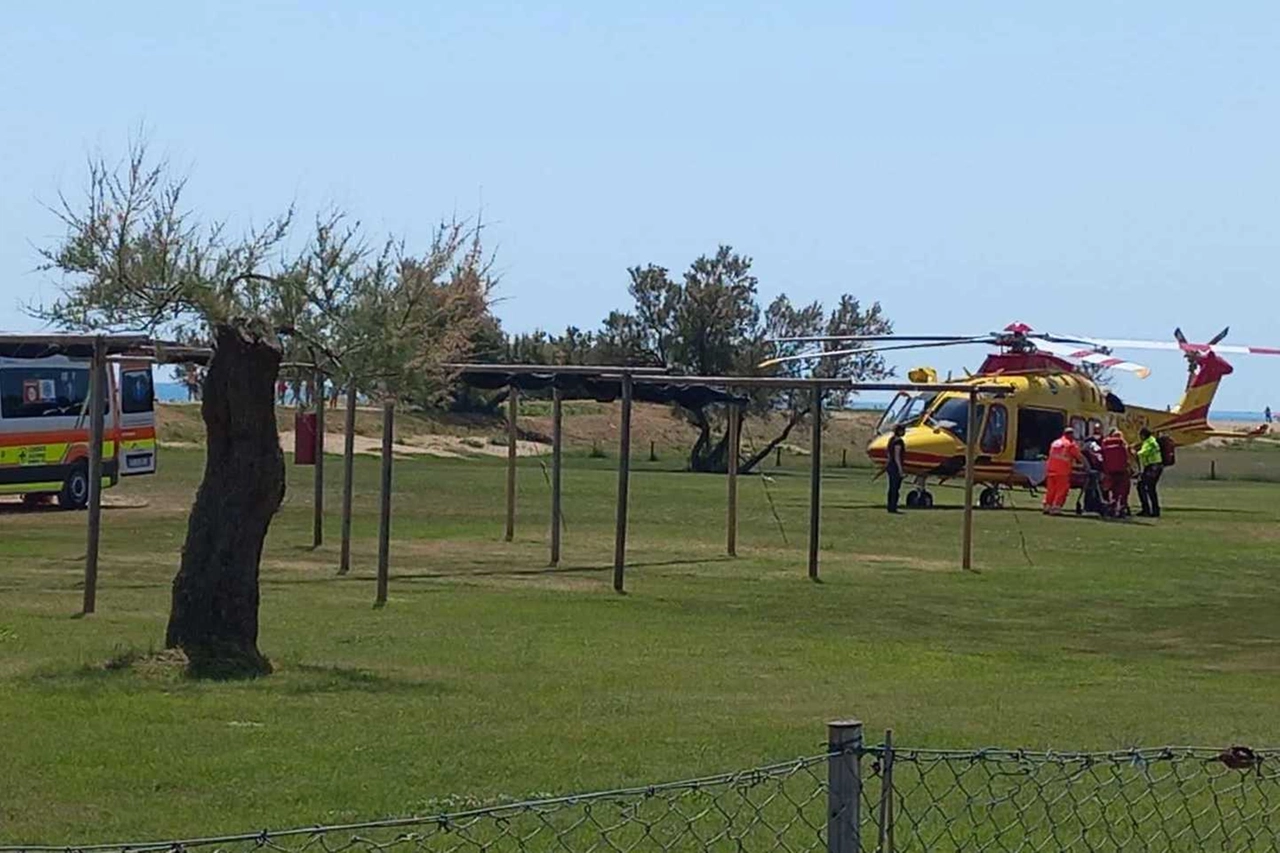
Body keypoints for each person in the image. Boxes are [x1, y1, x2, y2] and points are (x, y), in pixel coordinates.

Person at [1043, 426, 1083, 515]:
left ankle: (1047, 506)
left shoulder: (1055, 443)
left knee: (1051, 490)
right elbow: (1079, 456)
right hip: (1062, 471)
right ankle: (1056, 507)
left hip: (1050, 469)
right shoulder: (1070, 444)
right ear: (1070, 435)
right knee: (1061, 490)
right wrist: (1087, 465)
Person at [1100, 427, 1132, 518]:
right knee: (1123, 492)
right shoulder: (1123, 444)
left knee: (1113, 492)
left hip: (1109, 472)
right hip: (1122, 472)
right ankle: (1122, 509)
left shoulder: (1105, 443)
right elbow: (1129, 457)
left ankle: (1111, 508)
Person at [1135, 427, 1164, 518]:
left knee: (1141, 486)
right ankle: (1154, 511)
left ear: (1143, 435)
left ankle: (1146, 509)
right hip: (1154, 467)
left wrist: (1135, 453)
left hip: (1153, 467)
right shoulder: (1151, 440)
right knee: (1151, 489)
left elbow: (1144, 452)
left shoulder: (1149, 442)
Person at [885, 424, 907, 513]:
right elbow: (897, 456)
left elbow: (889, 454)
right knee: (895, 488)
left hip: (890, 465)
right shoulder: (898, 442)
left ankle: (890, 506)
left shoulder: (891, 440)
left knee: (891, 487)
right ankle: (893, 506)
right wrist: (900, 470)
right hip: (895, 466)